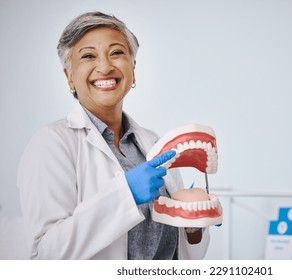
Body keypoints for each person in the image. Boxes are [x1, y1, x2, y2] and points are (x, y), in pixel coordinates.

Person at [17, 11, 209, 260]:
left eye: (117, 53)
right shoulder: (51, 144)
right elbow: (45, 255)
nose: (105, 66)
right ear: (69, 77)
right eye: (88, 56)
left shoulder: (154, 143)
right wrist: (125, 194)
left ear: (133, 68)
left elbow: (184, 256)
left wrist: (193, 226)